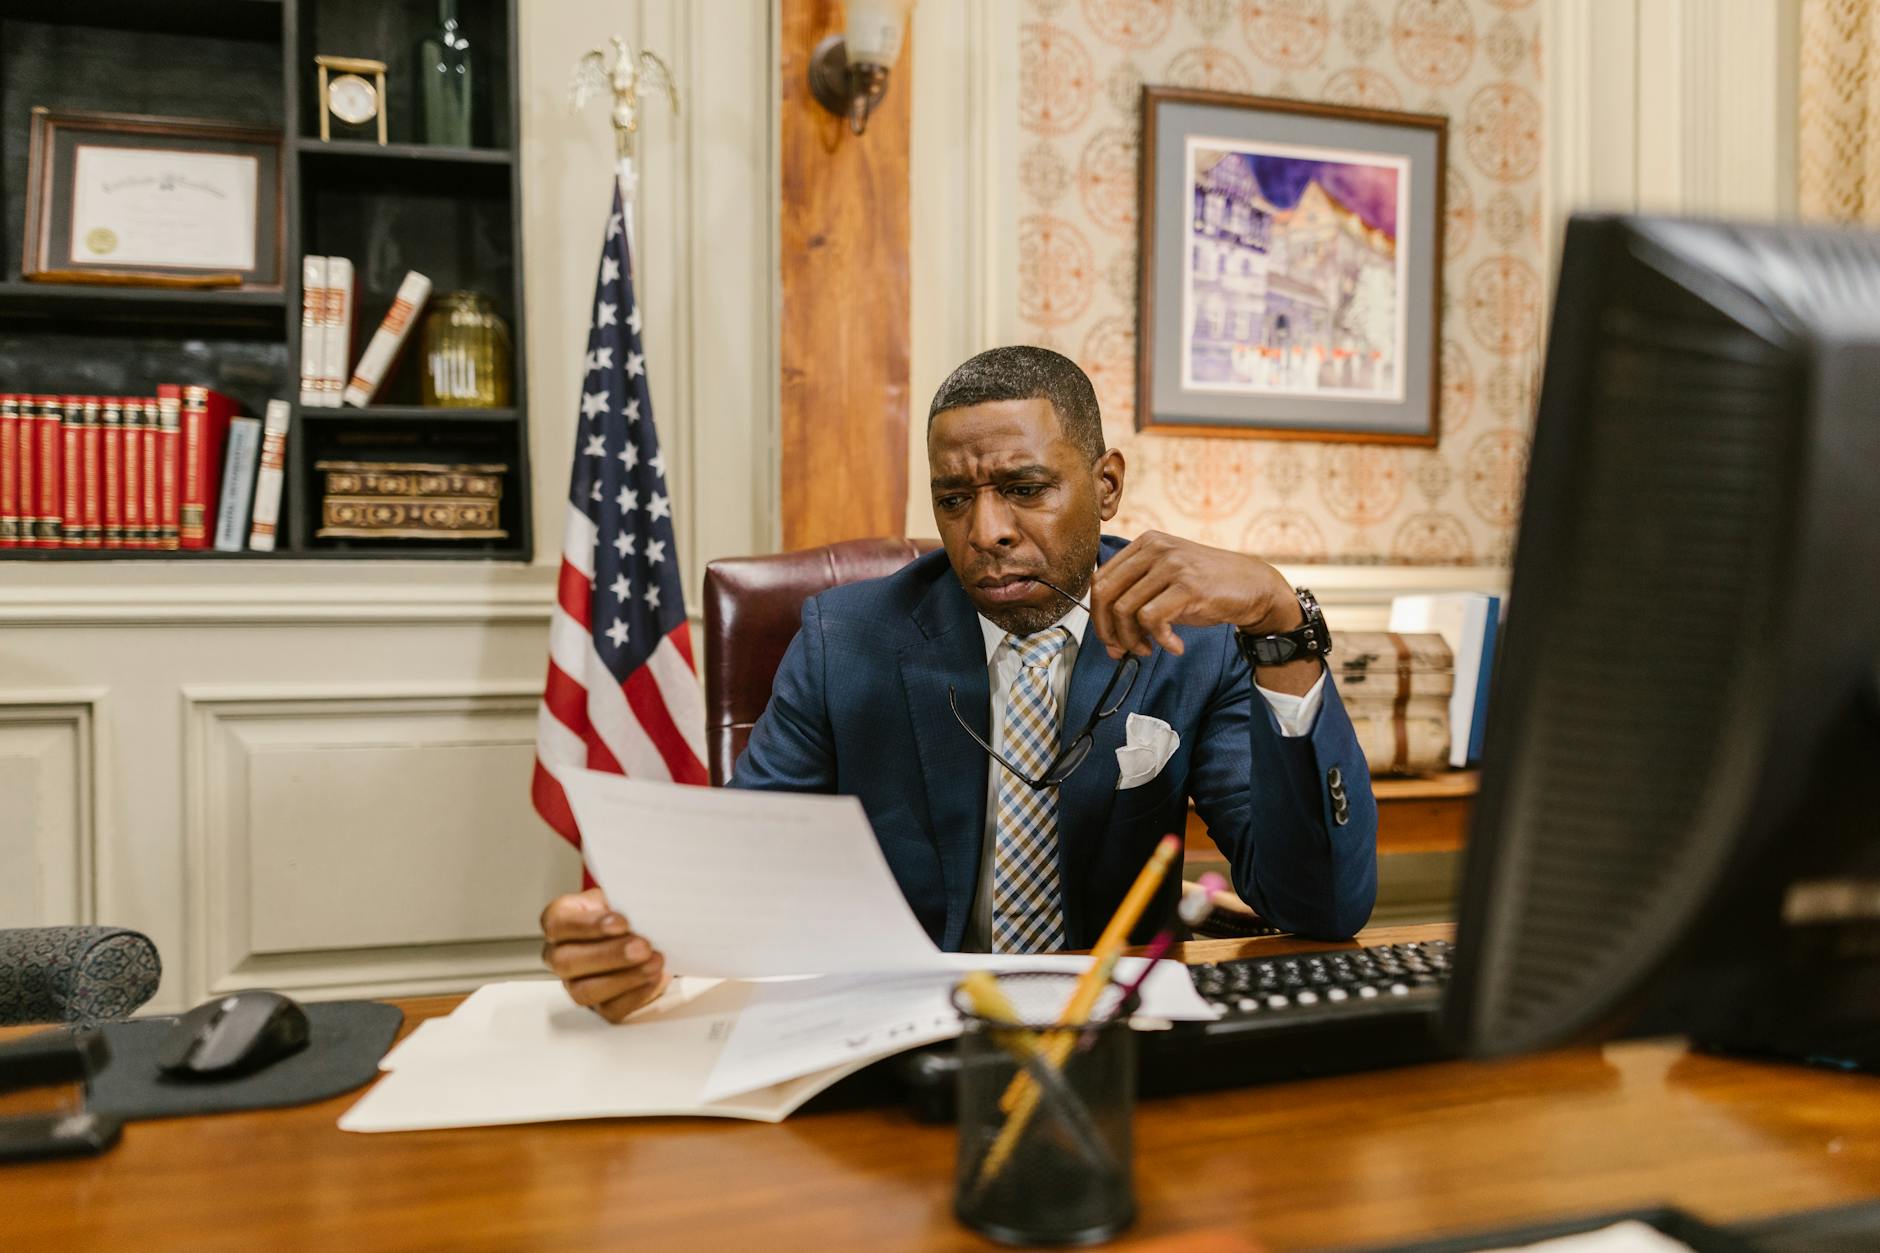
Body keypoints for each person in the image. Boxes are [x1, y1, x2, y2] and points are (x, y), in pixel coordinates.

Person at [541, 347, 1378, 1021]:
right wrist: (633, 940)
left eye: (1025, 489)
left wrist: (1281, 624)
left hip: (1114, 1036)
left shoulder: (1193, 640)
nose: (987, 532)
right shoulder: (845, 641)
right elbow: (743, 873)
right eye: (953, 499)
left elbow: (1322, 905)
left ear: (1107, 485)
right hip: (901, 1027)